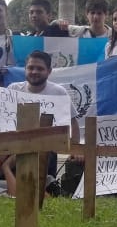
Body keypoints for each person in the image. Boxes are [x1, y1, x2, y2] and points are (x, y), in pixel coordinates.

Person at [7, 50, 80, 192]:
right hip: (14, 147)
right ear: (25, 69)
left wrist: (76, 149)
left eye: (39, 68)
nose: (34, 71)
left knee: (40, 185)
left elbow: (73, 122)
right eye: (30, 68)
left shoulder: (58, 92)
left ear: (49, 71)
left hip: (46, 150)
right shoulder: (13, 89)